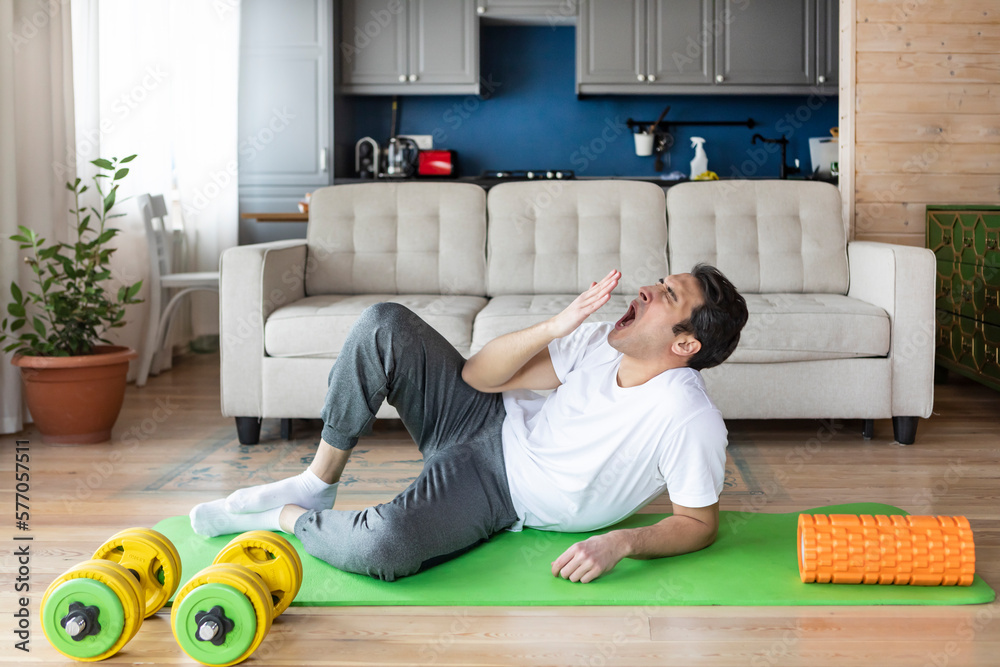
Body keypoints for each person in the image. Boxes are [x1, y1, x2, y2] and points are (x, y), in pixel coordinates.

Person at [190, 264, 748, 583]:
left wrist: (622, 543)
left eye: (668, 295)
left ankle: (288, 518)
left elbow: (698, 523)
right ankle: (316, 485)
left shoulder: (686, 414)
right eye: (660, 281)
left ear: (685, 343)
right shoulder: (597, 341)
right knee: (385, 324)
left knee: (385, 548)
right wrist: (556, 325)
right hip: (484, 417)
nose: (648, 289)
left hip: (500, 490)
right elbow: (480, 377)